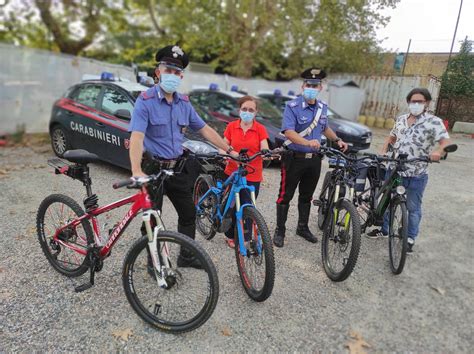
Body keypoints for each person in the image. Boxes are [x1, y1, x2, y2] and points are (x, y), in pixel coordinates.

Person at [128, 45, 238, 268]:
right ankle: (154, 262)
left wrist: (228, 149)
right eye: (169, 70)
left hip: (177, 169)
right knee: (152, 219)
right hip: (153, 169)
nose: (173, 76)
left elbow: (205, 129)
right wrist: (136, 170)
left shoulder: (184, 103)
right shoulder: (145, 101)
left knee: (188, 214)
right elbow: (137, 137)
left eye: (177, 73)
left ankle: (186, 257)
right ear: (158, 72)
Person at [367, 88, 451, 253]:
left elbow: (445, 143)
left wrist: (438, 152)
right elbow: (391, 137)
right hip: (394, 170)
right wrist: (384, 150)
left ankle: (410, 237)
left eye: (420, 101)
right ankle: (384, 230)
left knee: (413, 208)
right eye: (413, 101)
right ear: (408, 102)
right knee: (388, 200)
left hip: (416, 173)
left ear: (426, 103)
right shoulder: (401, 119)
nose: (416, 104)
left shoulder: (433, 121)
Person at [273, 67, 348, 248]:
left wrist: (337, 140)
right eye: (309, 84)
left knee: (306, 196)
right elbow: (289, 132)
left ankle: (302, 227)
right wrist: (308, 142)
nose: (312, 88)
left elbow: (324, 127)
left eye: (315, 85)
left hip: (314, 160)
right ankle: (280, 230)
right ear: (303, 86)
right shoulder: (292, 107)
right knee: (285, 196)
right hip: (294, 158)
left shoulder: (322, 108)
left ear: (320, 87)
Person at [220, 96, 270, 248]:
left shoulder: (260, 128)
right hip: (232, 172)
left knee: (248, 206)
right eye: (244, 109)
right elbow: (223, 144)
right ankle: (230, 235)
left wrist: (267, 152)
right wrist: (223, 153)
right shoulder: (231, 126)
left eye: (251, 110)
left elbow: (264, 145)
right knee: (231, 204)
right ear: (239, 110)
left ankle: (246, 236)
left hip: (252, 174)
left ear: (256, 112)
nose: (247, 112)